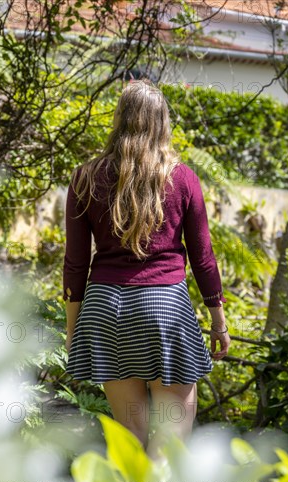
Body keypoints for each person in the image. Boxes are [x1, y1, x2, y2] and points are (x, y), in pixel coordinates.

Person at [62, 78, 231, 459]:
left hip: (104, 309)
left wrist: (74, 331)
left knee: (129, 435)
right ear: (163, 123)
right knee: (172, 437)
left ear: (119, 119)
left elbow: (75, 263)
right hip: (164, 309)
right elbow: (203, 256)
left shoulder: (85, 176)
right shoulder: (182, 178)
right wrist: (217, 320)